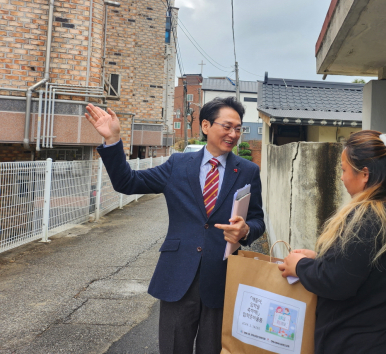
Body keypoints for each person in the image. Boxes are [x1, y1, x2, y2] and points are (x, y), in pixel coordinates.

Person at [85, 97, 265, 354]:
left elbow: (257, 219)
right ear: (205, 126)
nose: (233, 134)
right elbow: (127, 182)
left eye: (238, 129)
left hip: (222, 276)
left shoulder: (247, 171)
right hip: (178, 274)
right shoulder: (177, 165)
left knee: (213, 349)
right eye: (227, 127)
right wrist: (113, 140)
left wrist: (246, 230)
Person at [278, 130, 386, 354]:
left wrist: (299, 266)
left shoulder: (367, 218)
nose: (341, 177)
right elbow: (366, 270)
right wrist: (320, 260)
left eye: (344, 169)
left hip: (359, 343)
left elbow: (336, 281)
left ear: (365, 174)